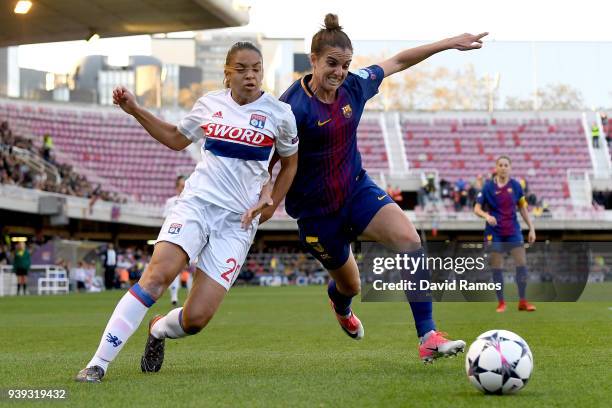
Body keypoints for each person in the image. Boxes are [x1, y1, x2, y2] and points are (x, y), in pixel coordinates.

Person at [75, 41, 299, 383]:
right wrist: (135, 109)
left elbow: (290, 164)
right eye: (242, 69)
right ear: (227, 73)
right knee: (155, 278)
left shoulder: (280, 114)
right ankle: (98, 363)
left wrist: (269, 207)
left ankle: (158, 329)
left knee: (196, 319)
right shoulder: (209, 104)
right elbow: (176, 138)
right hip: (196, 205)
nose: (250, 75)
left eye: (256, 69)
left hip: (237, 222)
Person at [272, 14, 486, 363]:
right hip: (316, 214)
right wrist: (262, 200)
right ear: (313, 60)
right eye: (332, 64)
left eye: (345, 64)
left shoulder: (355, 86)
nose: (339, 72)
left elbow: (399, 61)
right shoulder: (290, 107)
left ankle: (427, 336)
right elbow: (271, 161)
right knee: (350, 287)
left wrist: (449, 43)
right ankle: (341, 306)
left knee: (410, 240)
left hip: (357, 191)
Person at [473, 155, 536, 313]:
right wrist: (487, 216)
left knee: (521, 264)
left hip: (513, 230)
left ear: (510, 167)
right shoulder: (488, 187)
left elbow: (522, 208)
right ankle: (501, 302)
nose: (503, 167)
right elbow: (477, 208)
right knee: (497, 267)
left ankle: (522, 301)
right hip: (494, 233)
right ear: (496, 168)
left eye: (506, 165)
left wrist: (531, 228)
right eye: (500, 165)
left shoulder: (516, 186)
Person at [163, 175, 187, 305]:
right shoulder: (170, 202)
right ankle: (174, 297)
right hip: (174, 238)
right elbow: (166, 220)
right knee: (175, 270)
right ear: (177, 187)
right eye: (182, 186)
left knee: (193, 271)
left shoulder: (194, 200)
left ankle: (191, 300)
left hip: (190, 239)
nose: (184, 189)